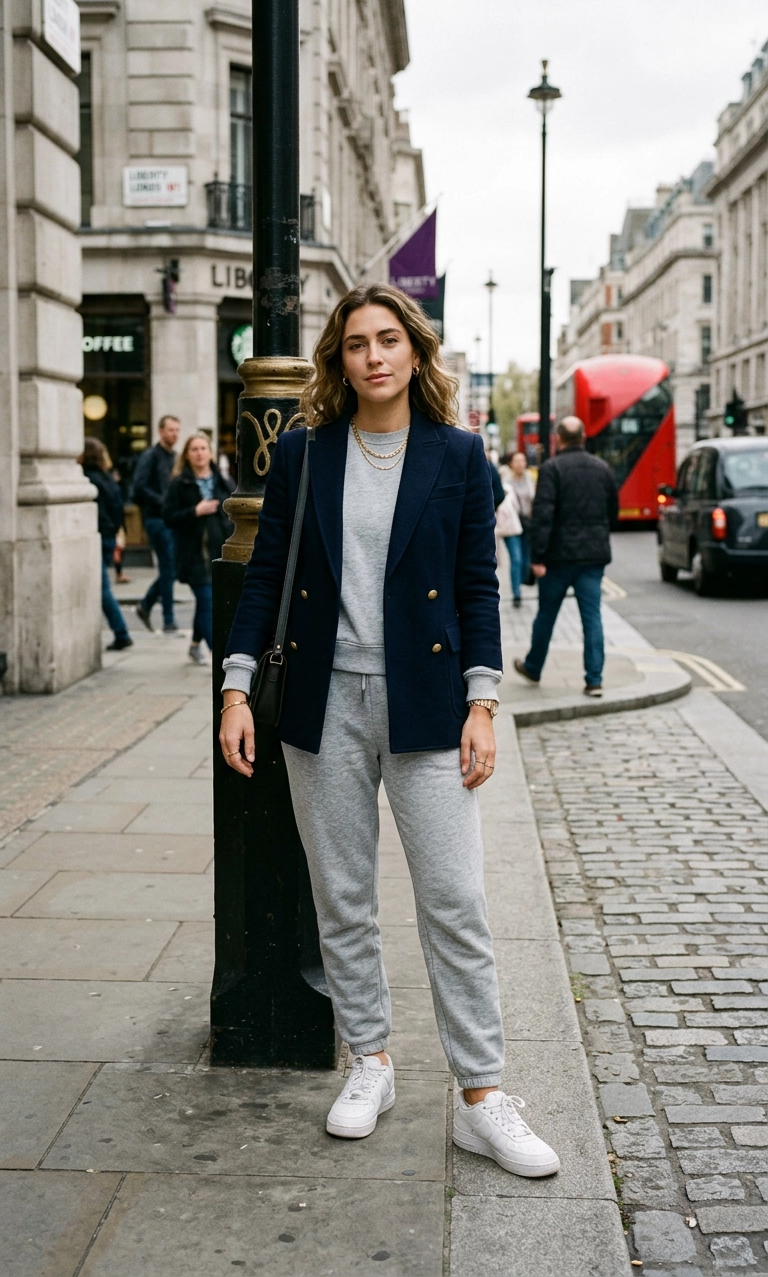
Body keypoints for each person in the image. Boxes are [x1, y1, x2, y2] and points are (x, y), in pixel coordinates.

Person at [218, 283, 560, 1178]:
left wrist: (483, 703)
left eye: (388, 340)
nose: (374, 356)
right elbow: (264, 583)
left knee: (455, 898)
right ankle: (371, 1060)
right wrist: (236, 688)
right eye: (357, 343)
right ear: (340, 360)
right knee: (343, 897)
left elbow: (479, 585)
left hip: (427, 702)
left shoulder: (457, 455)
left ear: (414, 352)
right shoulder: (303, 455)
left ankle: (481, 1096)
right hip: (320, 705)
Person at [514, 415, 618, 698]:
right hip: (592, 557)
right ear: (584, 437)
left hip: (558, 558)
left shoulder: (552, 468)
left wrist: (537, 557)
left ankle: (534, 666)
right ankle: (594, 680)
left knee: (546, 614)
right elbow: (613, 512)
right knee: (592, 618)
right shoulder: (603, 468)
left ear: (558, 439)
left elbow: (543, 515)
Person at [162, 432, 234, 665]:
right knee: (206, 602)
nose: (199, 453)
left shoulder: (223, 481)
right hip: (193, 554)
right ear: (187, 455)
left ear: (210, 453)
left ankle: (194, 645)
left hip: (219, 552)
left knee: (206, 603)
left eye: (203, 448)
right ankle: (218, 655)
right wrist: (195, 511)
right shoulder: (179, 483)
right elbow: (169, 516)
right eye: (194, 449)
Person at [80, 438, 133, 652]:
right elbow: (118, 508)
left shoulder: (88, 479)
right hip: (109, 535)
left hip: (100, 534)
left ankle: (121, 632)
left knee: (102, 588)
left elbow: (100, 513)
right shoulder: (109, 479)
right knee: (99, 585)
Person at [131, 415, 181, 633]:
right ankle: (168, 620)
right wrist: (164, 502)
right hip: (156, 519)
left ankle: (146, 604)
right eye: (170, 430)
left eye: (177, 430)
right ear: (160, 431)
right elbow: (138, 488)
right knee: (169, 567)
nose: (174, 434)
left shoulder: (176, 458)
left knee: (173, 568)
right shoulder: (150, 456)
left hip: (172, 520)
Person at [500, 451, 536, 607]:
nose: (521, 464)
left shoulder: (531, 479)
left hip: (527, 524)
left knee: (526, 560)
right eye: (517, 461)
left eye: (523, 460)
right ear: (511, 463)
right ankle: (516, 594)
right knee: (516, 559)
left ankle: (522, 582)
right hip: (512, 525)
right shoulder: (505, 481)